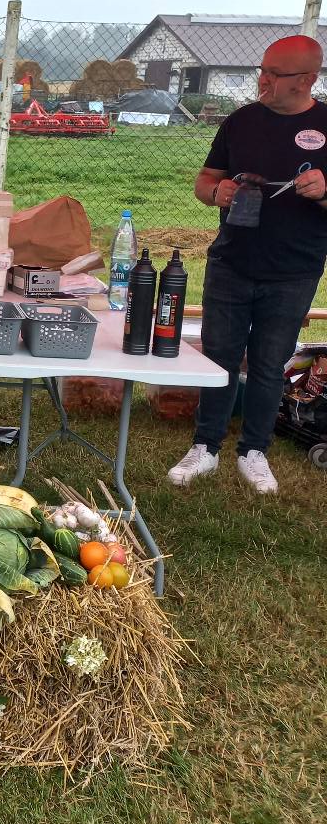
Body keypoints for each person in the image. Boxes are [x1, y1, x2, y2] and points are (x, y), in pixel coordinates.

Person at [169, 34, 327, 494]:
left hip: (295, 269)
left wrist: (324, 191)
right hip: (232, 262)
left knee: (269, 363)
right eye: (262, 70)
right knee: (218, 356)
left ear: (306, 79)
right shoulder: (240, 121)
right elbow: (205, 180)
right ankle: (206, 446)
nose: (263, 80)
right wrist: (214, 192)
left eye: (274, 74)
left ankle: (254, 451)